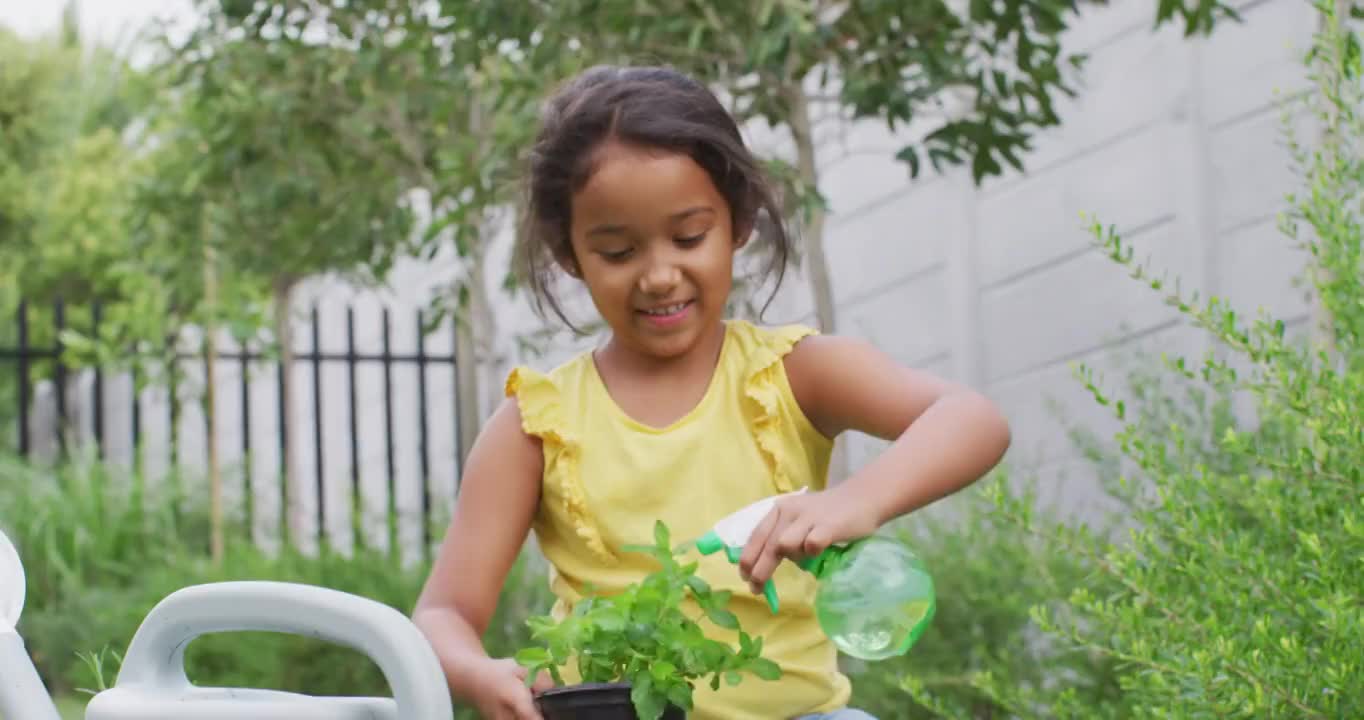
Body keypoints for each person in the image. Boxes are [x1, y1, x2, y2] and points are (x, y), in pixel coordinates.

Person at [412, 64, 1012, 720]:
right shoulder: (535, 425)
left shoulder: (794, 374)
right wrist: (477, 672)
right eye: (618, 252)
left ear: (739, 222)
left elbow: (971, 419)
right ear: (569, 253)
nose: (660, 275)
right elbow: (443, 612)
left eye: (689, 237)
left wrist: (857, 502)